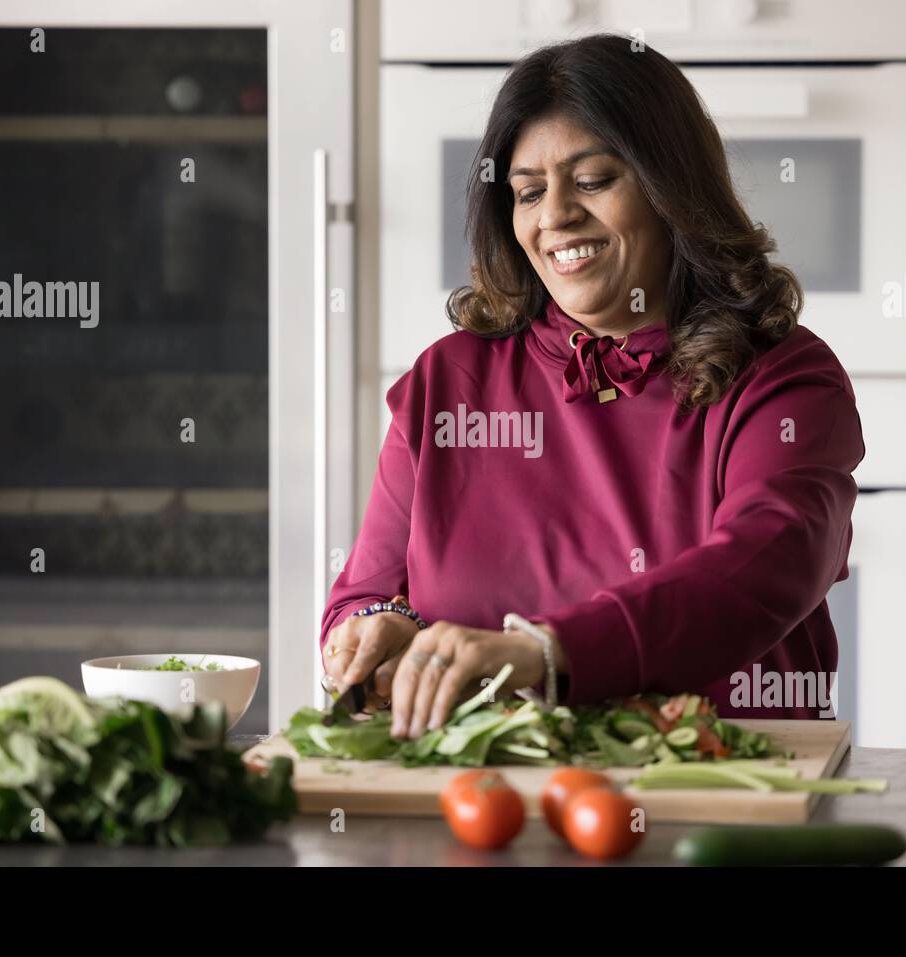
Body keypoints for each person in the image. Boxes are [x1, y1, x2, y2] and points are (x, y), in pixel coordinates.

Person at [320, 34, 865, 739]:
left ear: (671, 187)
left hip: (723, 790)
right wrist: (374, 634)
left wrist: (547, 655)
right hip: (483, 805)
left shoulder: (786, 377)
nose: (555, 216)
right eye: (528, 191)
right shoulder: (447, 382)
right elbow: (362, 598)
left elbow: (767, 567)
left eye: (593, 180)